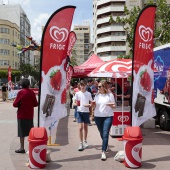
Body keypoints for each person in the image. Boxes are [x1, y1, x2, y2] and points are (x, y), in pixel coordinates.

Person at [13, 79, 38, 153]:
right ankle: (31, 147)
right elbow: (35, 104)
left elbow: (15, 104)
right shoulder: (32, 92)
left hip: (21, 115)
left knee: (22, 132)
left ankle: (22, 148)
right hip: (30, 115)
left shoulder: (21, 92)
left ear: (21, 85)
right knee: (30, 132)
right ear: (28, 84)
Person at [93, 80, 116, 160]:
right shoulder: (97, 95)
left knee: (105, 133)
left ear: (104, 87)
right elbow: (94, 106)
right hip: (98, 116)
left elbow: (114, 106)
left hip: (108, 116)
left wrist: (110, 105)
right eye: (97, 86)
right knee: (101, 132)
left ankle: (103, 152)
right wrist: (92, 105)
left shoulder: (110, 95)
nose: (98, 88)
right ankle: (106, 145)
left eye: (99, 86)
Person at [74, 80, 92, 151]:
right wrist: (76, 104)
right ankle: (80, 143)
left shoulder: (88, 94)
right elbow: (74, 103)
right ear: (80, 86)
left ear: (86, 86)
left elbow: (92, 103)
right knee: (80, 128)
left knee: (85, 127)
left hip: (86, 112)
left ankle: (85, 141)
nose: (82, 86)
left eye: (84, 85)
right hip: (79, 111)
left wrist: (89, 105)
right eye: (81, 85)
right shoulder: (77, 93)